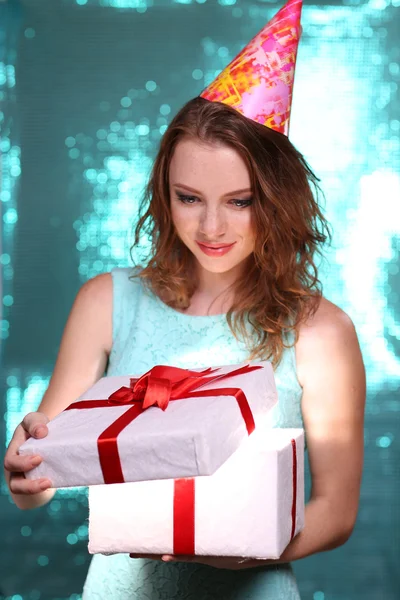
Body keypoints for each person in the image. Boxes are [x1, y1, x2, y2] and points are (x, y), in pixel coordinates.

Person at [4, 1, 366, 598]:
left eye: (240, 201)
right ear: (164, 195)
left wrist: (250, 553)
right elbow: (44, 475)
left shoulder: (320, 332)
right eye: (189, 197)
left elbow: (336, 510)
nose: (212, 227)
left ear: (276, 200)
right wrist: (24, 472)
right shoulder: (107, 302)